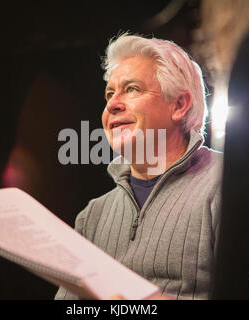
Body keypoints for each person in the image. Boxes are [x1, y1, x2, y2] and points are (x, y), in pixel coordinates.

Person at [55, 33, 223, 300]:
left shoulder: (226, 184)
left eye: (132, 89)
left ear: (179, 105)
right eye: (110, 93)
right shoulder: (92, 217)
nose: (112, 104)